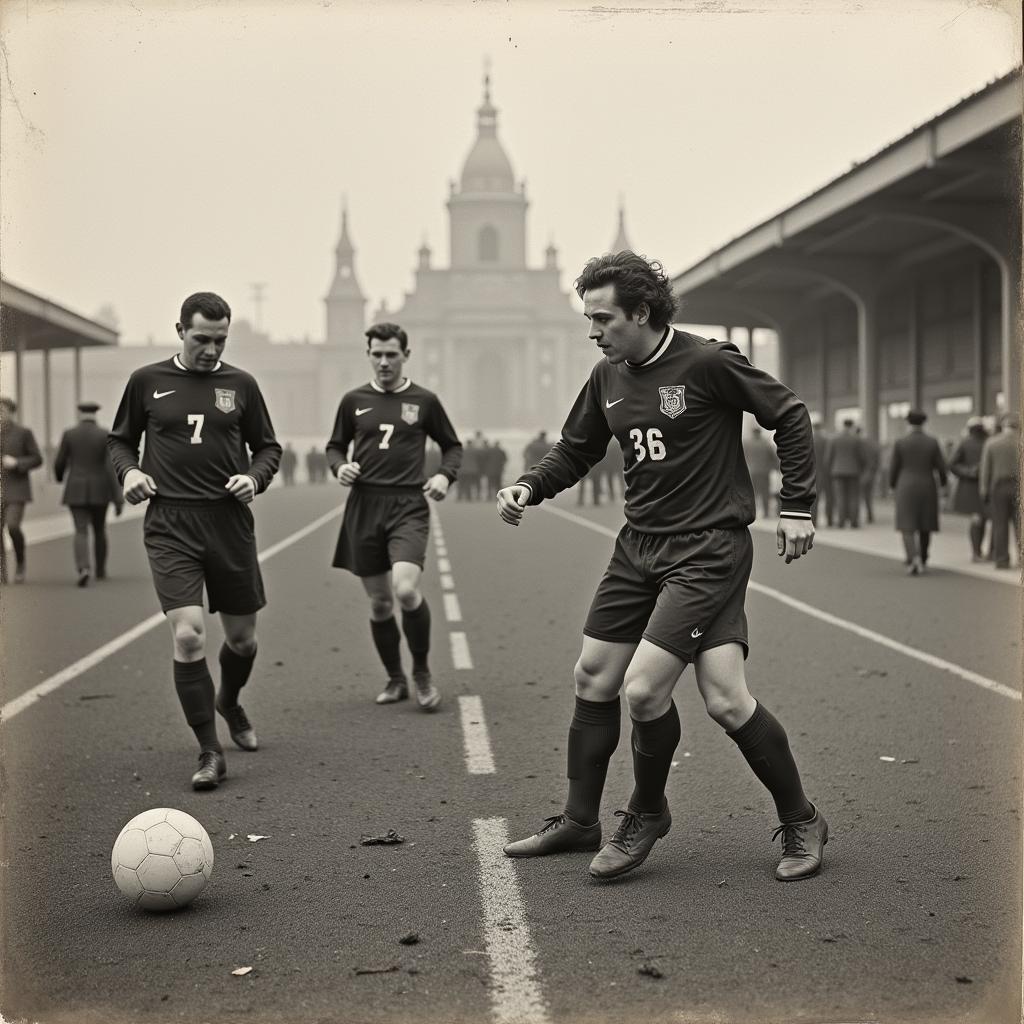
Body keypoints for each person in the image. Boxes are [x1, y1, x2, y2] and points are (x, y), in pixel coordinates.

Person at [497, 252, 825, 883]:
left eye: (602, 318)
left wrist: (798, 506)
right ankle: (579, 820)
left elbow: (788, 414)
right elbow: (578, 448)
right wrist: (530, 487)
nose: (592, 331)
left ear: (641, 312)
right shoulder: (606, 374)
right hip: (638, 545)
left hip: (707, 549)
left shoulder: (707, 362)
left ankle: (648, 811)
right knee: (628, 682)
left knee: (643, 689)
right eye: (587, 318)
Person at [108, 292, 282, 790]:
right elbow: (120, 440)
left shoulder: (241, 385)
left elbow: (268, 446)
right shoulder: (147, 382)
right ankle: (210, 749)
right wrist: (130, 472)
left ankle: (228, 700)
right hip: (171, 524)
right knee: (188, 635)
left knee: (243, 639)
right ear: (180, 330)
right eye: (202, 338)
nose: (211, 349)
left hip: (228, 523)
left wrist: (255, 477)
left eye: (220, 340)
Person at [326, 322, 462, 710]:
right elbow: (335, 446)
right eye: (377, 354)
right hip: (364, 506)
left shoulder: (424, 401)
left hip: (408, 506)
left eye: (391, 354)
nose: (384, 362)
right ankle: (394, 678)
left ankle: (420, 672)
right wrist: (340, 468)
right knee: (380, 603)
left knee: (405, 589)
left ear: (406, 355)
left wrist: (442, 475)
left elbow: (452, 446)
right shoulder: (353, 400)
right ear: (368, 355)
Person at [54, 400, 124, 586]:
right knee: (100, 530)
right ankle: (100, 569)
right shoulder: (104, 434)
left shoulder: (69, 434)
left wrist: (60, 477)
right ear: (95, 414)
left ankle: (84, 567)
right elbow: (111, 468)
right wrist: (118, 498)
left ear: (80, 414)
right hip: (100, 489)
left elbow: (59, 462)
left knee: (80, 530)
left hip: (75, 488)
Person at [889, 409, 948, 575]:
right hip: (928, 485)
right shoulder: (932, 442)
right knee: (925, 523)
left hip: (905, 485)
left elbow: (894, 467)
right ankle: (923, 557)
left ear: (908, 423)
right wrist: (943, 484)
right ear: (924, 423)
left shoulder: (900, 442)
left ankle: (912, 558)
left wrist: (892, 485)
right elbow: (941, 467)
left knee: (907, 524)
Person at [0, 396, 43, 584]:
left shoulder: (23, 433)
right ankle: (2, 573)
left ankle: (21, 562)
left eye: (2, 410)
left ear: (11, 412)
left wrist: (17, 462)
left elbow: (37, 458)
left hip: (16, 489)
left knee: (13, 526)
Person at [979, 413, 1020, 571]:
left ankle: (1002, 560)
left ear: (1003, 426)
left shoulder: (992, 443)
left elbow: (985, 469)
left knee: (1000, 524)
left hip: (998, 487)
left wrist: (984, 490)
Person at [949, 418, 990, 561]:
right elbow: (953, 464)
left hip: (971, 486)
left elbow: (953, 464)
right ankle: (977, 551)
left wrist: (968, 472)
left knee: (978, 519)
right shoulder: (987, 441)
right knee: (980, 519)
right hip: (980, 486)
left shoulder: (965, 443)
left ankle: (977, 551)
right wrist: (971, 472)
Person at [827, 418, 864, 528]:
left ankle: (841, 522)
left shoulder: (834, 439)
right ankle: (854, 522)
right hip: (854, 471)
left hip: (837, 471)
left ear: (843, 425)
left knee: (840, 497)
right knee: (853, 497)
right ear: (852, 426)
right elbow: (862, 457)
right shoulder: (857, 439)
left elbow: (828, 458)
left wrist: (831, 469)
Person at [743, 427, 776, 519]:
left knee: (752, 492)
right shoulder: (765, 443)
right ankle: (766, 513)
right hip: (764, 472)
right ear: (760, 433)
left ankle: (751, 512)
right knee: (765, 492)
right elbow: (773, 457)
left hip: (751, 472)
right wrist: (772, 467)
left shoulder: (747, 443)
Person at [809, 413, 832, 527]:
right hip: (826, 473)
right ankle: (830, 520)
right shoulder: (827, 440)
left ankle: (814, 521)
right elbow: (830, 456)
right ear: (821, 427)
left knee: (814, 498)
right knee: (829, 497)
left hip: (813, 473)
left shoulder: (808, 439)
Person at [856, 426, 880, 525]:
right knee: (868, 496)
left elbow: (859, 459)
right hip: (871, 472)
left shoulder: (858, 443)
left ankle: (856, 516)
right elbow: (878, 459)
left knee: (857, 496)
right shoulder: (873, 444)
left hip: (860, 473)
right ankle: (870, 515)